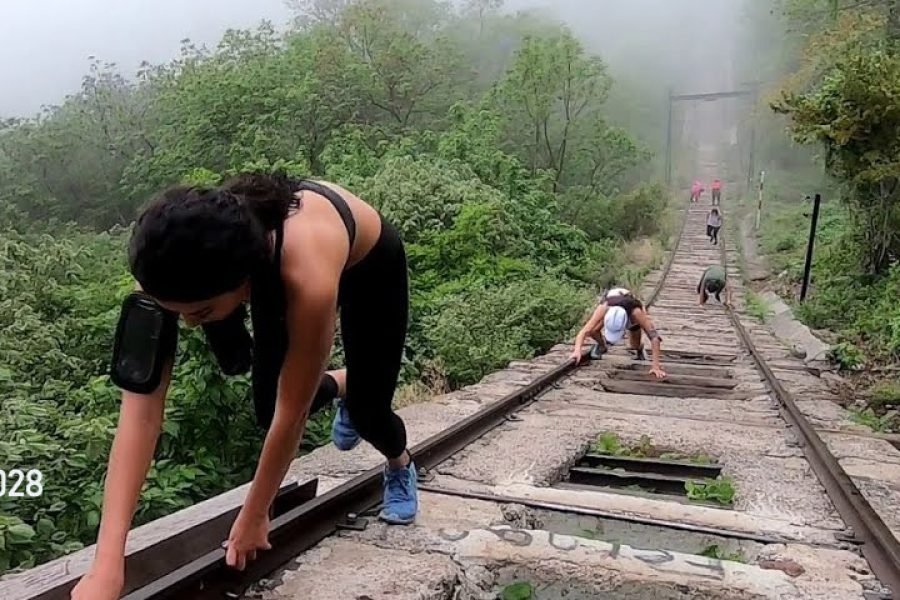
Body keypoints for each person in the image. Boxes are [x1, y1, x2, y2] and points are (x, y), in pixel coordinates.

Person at [71, 173, 417, 600]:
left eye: (198, 312)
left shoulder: (305, 276)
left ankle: (398, 461)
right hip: (239, 273)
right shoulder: (165, 271)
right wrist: (107, 565)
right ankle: (344, 385)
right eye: (178, 314)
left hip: (368, 264)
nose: (189, 323)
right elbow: (140, 415)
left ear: (244, 283)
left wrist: (256, 513)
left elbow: (294, 413)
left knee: (369, 413)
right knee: (265, 407)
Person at [570, 287, 666, 379]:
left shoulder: (636, 314)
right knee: (593, 330)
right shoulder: (604, 308)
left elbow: (654, 337)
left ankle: (639, 348)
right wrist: (577, 351)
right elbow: (584, 331)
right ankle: (602, 346)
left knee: (634, 345)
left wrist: (655, 367)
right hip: (615, 304)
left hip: (630, 309)